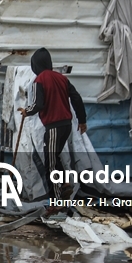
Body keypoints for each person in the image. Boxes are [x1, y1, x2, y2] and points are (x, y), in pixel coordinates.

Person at [21, 48, 87, 189]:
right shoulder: (62, 79)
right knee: (54, 156)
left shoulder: (39, 80)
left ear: (35, 65)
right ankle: (64, 185)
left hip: (53, 127)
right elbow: (76, 98)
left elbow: (38, 104)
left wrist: (27, 111)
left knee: (50, 163)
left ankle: (55, 199)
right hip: (66, 126)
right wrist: (82, 120)